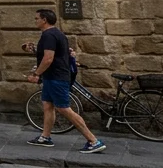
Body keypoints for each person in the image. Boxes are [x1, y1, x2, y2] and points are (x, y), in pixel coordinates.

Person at [25, 9, 105, 153]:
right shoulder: (57, 34)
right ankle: (45, 137)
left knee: (63, 108)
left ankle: (93, 141)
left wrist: (36, 74)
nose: (35, 20)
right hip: (51, 77)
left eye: (36, 18)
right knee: (48, 106)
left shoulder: (49, 35)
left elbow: (48, 58)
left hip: (56, 77)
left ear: (44, 20)